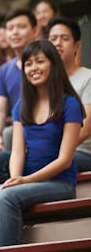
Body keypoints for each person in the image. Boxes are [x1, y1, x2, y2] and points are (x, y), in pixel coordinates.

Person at [0, 40, 84, 248]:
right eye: (28, 64)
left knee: (6, 198)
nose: (33, 68)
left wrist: (27, 181)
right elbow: (17, 153)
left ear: (53, 64)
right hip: (28, 180)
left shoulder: (69, 104)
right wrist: (16, 178)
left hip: (60, 183)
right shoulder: (21, 106)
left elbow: (64, 160)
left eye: (39, 62)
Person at [0, 9, 39, 186]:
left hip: (41, 131)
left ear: (35, 30)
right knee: (1, 141)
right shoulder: (5, 70)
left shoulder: (47, 63)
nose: (14, 32)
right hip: (17, 133)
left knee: (10, 134)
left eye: (21, 27)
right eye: (10, 28)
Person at [48, 17, 91, 171]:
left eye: (64, 38)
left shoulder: (88, 78)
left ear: (77, 46)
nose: (58, 43)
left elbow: (86, 127)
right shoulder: (43, 81)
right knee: (0, 161)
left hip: (83, 152)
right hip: (51, 151)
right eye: (53, 39)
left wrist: (51, 151)